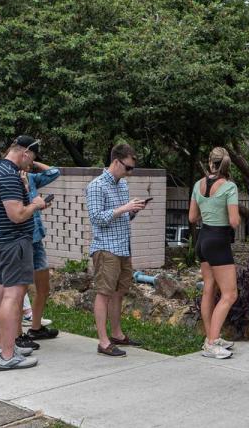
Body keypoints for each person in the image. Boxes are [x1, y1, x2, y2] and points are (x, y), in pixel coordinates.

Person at [0, 136, 48, 370]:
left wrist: (27, 190)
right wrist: (36, 204)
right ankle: (8, 357)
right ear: (25, 154)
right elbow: (17, 214)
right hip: (15, 243)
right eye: (31, 159)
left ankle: (2, 345)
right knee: (14, 295)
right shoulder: (9, 175)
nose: (30, 165)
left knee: (0, 292)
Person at [87, 144, 148, 358]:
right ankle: (103, 342)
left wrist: (133, 210)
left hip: (123, 246)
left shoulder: (122, 185)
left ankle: (117, 334)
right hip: (106, 248)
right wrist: (123, 208)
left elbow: (121, 217)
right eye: (128, 168)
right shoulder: (97, 186)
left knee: (119, 292)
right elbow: (96, 218)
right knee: (104, 293)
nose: (129, 172)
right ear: (116, 161)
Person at [189, 147, 240, 360]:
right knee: (230, 294)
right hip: (218, 241)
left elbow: (192, 218)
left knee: (209, 288)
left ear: (210, 162)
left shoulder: (197, 185)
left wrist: (208, 210)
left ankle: (210, 337)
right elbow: (235, 221)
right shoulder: (229, 187)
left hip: (203, 238)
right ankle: (211, 342)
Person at [20, 160, 61, 340]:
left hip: (37, 239)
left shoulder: (31, 177)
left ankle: (36, 328)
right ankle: (15, 336)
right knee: (19, 290)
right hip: (23, 240)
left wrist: (33, 162)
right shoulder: (11, 180)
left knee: (43, 287)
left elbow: (54, 172)